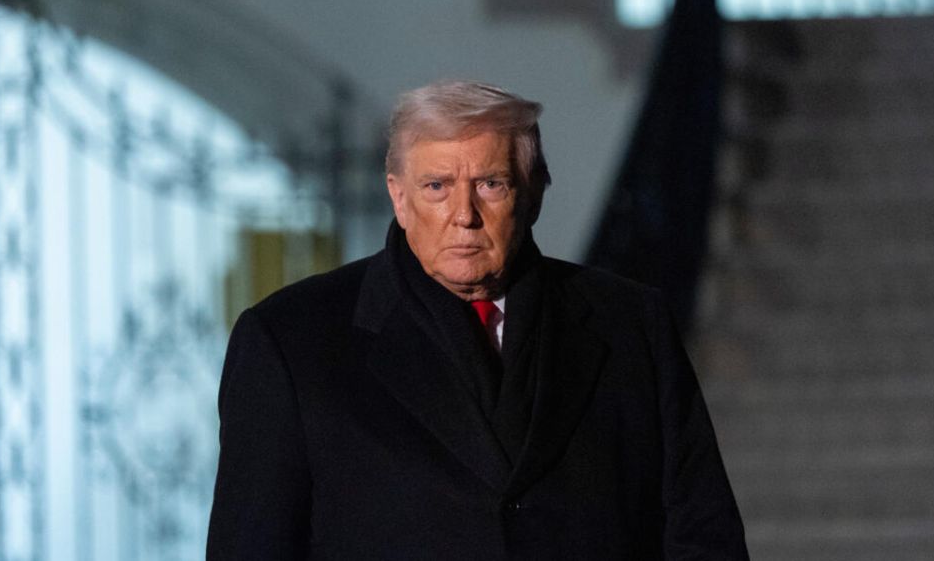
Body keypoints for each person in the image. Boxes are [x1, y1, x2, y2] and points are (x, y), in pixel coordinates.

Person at [207, 81, 749, 560]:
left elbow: (702, 535)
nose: (464, 215)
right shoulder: (290, 342)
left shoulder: (631, 325)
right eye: (437, 187)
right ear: (399, 197)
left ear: (532, 194)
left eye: (491, 184)